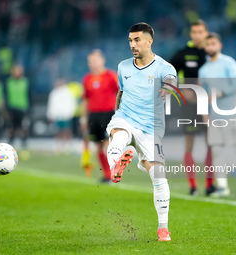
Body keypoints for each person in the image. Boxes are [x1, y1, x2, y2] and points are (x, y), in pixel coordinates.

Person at [106, 23, 176, 241]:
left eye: (137, 40)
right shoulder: (123, 66)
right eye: (130, 40)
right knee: (118, 133)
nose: (132, 45)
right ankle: (115, 166)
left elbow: (172, 81)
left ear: (149, 41)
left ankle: (162, 228)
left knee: (158, 175)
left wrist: (167, 88)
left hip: (150, 128)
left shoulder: (164, 67)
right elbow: (121, 91)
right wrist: (116, 115)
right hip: (126, 117)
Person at [199, 33, 236, 197]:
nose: (210, 47)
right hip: (215, 116)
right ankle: (223, 187)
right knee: (217, 150)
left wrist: (218, 94)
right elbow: (203, 94)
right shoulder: (204, 70)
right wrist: (205, 113)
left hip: (234, 112)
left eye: (213, 44)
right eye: (208, 45)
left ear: (219, 45)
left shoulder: (229, 63)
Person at [169, 19, 215, 196]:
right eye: (194, 32)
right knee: (189, 145)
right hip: (190, 105)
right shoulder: (182, 54)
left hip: (209, 105)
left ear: (206, 32)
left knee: (211, 144)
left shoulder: (211, 53)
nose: (197, 35)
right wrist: (181, 90)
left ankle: (210, 185)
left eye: (200, 32)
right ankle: (193, 186)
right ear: (191, 34)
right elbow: (168, 74)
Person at [81, 49, 119, 182]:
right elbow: (85, 99)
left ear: (102, 61)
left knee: (107, 143)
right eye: (90, 61)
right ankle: (107, 174)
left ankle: (112, 171)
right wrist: (83, 118)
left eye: (95, 60)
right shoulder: (87, 79)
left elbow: (120, 93)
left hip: (108, 113)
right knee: (98, 145)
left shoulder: (111, 75)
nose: (93, 64)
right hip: (94, 115)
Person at [47, 79, 76, 153]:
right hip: (57, 114)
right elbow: (51, 104)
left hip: (66, 114)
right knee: (58, 130)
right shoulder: (54, 92)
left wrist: (70, 112)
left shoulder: (67, 92)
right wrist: (50, 114)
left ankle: (68, 144)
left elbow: (71, 102)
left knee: (66, 129)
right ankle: (59, 144)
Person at [6, 65, 30, 151]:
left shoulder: (25, 81)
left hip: (22, 107)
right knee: (12, 126)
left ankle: (24, 142)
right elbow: (6, 95)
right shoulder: (9, 82)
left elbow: (29, 94)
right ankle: (10, 142)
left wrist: (29, 108)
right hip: (12, 107)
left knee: (23, 126)